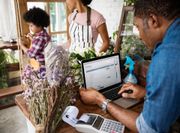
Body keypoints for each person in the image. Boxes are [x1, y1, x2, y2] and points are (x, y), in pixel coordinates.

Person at [80, 0, 180, 132]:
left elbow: (148, 129)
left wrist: (101, 100)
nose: (139, 36)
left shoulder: (167, 56)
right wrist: (145, 93)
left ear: (153, 20)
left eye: (137, 27)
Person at [20, 7, 51, 74]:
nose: (29, 28)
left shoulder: (40, 38)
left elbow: (31, 54)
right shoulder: (44, 34)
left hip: (42, 68)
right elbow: (40, 47)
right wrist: (33, 39)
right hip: (44, 64)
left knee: (26, 72)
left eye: (31, 25)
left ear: (39, 25)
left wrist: (21, 45)